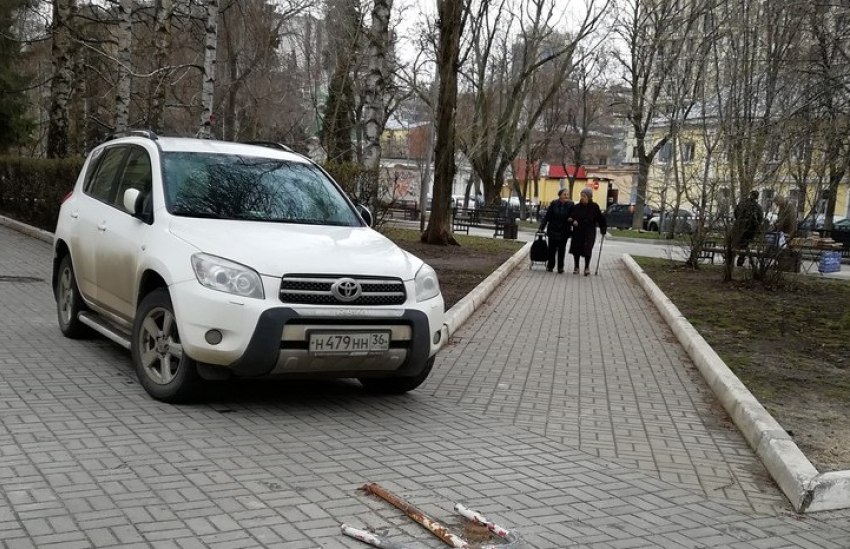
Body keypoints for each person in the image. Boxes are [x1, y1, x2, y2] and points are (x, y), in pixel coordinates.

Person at [569, 187, 607, 276]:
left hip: (589, 231)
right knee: (576, 249)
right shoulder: (576, 207)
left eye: (584, 196)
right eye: (581, 196)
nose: (582, 197)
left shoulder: (594, 207)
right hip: (578, 231)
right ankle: (576, 267)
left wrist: (603, 228)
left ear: (589, 197)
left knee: (588, 249)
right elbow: (570, 217)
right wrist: (573, 221)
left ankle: (586, 267)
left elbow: (601, 219)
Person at [538, 188, 574, 273]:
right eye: (565, 194)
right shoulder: (554, 203)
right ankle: (550, 265)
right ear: (560, 195)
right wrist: (542, 226)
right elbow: (547, 216)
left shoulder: (571, 204)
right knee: (552, 249)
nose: (566, 196)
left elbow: (573, 215)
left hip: (564, 230)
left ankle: (560, 267)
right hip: (553, 229)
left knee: (562, 249)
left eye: (567, 194)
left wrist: (572, 219)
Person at [733, 190, 764, 267]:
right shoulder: (758, 207)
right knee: (745, 244)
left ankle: (740, 257)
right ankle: (744, 258)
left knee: (739, 243)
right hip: (751, 230)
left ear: (750, 195)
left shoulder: (743, 203)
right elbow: (760, 219)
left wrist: (739, 221)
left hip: (740, 228)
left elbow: (736, 213)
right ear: (757, 197)